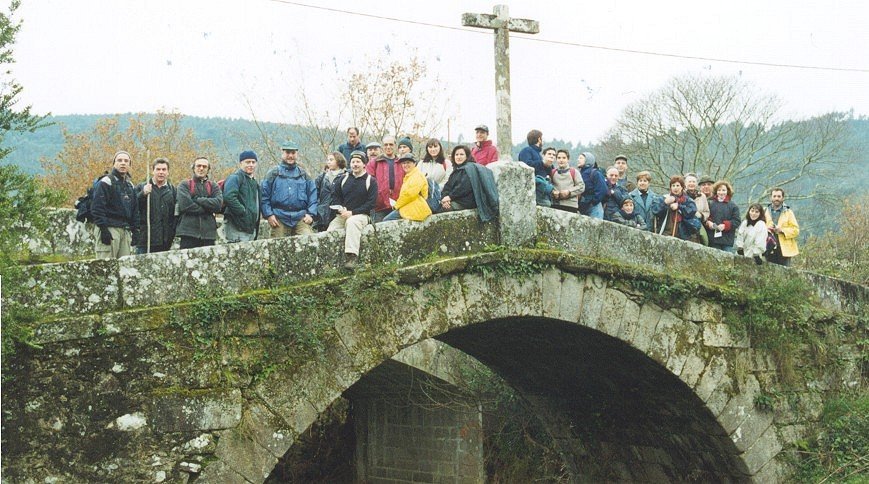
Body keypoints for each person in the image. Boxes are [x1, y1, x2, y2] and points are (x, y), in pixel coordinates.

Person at [328, 151, 378, 270]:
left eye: (358, 162)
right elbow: (335, 196)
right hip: (343, 215)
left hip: (361, 216)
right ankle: (330, 263)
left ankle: (352, 257)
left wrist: (353, 213)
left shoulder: (370, 181)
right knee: (330, 231)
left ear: (364, 164)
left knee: (352, 222)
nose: (355, 164)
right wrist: (340, 209)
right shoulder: (343, 179)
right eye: (353, 162)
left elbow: (371, 203)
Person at [261, 141, 318, 237]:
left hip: (300, 217)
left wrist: (311, 214)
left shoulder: (303, 175)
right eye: (287, 152)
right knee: (277, 244)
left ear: (297, 154)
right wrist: (269, 215)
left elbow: (313, 195)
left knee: (309, 241)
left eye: (293, 153)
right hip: (279, 217)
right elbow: (264, 195)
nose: (290, 156)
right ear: (282, 153)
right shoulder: (273, 174)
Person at [92, 150, 138, 259]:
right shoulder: (106, 182)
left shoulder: (130, 185)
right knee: (106, 265)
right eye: (119, 160)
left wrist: (136, 230)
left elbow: (135, 210)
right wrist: (103, 229)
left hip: (125, 230)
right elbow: (97, 208)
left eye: (126, 161)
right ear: (114, 163)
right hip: (109, 228)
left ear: (129, 165)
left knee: (125, 265)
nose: (123, 163)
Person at [440, 145, 499, 222]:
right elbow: (447, 186)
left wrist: (450, 197)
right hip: (455, 199)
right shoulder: (457, 170)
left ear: (467, 156)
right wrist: (444, 198)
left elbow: (464, 188)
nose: (459, 157)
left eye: (461, 154)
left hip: (465, 202)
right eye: (456, 155)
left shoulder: (469, 168)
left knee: (442, 209)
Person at [176, 156, 223, 249]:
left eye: (204, 166)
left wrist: (198, 200)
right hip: (188, 233)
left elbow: (218, 205)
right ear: (193, 168)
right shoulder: (184, 185)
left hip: (208, 234)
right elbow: (185, 206)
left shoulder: (213, 186)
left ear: (208, 170)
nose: (201, 168)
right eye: (198, 166)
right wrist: (208, 208)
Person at [134, 157, 176, 254]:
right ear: (153, 171)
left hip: (165, 241)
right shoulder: (141, 187)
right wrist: (143, 194)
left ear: (168, 172)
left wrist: (171, 233)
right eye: (158, 169)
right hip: (145, 240)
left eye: (164, 169)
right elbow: (133, 207)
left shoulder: (172, 190)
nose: (161, 172)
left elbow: (174, 214)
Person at [222, 150, 261, 243]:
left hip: (250, 229)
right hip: (236, 228)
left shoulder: (254, 182)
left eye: (253, 162)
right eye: (247, 162)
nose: (251, 165)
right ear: (241, 163)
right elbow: (229, 197)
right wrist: (242, 211)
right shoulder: (235, 178)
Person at [382, 153, 431, 222]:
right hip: (409, 207)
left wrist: (397, 205)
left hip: (415, 209)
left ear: (414, 163)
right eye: (404, 163)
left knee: (386, 221)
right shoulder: (409, 176)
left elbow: (409, 195)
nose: (405, 165)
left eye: (408, 162)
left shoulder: (417, 176)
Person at [366, 135, 404, 222]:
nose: (388, 147)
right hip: (379, 206)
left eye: (391, 144)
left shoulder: (402, 162)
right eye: (386, 145)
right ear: (382, 146)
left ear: (395, 146)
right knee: (379, 228)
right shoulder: (374, 162)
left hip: (398, 204)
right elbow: (368, 183)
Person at [651, 175, 699, 240]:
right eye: (673, 186)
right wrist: (665, 203)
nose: (675, 188)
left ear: (682, 187)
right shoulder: (664, 198)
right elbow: (655, 211)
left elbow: (692, 211)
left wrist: (679, 207)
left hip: (683, 234)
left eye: (677, 185)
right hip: (666, 232)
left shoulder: (687, 200)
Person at [765, 187, 800, 266]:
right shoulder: (764, 211)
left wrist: (781, 230)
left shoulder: (788, 212)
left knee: (785, 272)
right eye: (774, 196)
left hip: (784, 249)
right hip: (768, 247)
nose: (776, 198)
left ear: (783, 198)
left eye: (779, 196)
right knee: (768, 271)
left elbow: (796, 230)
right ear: (770, 197)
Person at [314, 151, 347, 231]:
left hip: (339, 213)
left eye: (331, 160)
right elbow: (315, 194)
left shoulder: (346, 176)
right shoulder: (322, 177)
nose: (328, 162)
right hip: (322, 214)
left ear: (338, 160)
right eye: (328, 160)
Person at [705, 180, 740, 252]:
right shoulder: (710, 203)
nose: (721, 192)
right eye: (719, 190)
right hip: (713, 240)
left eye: (723, 190)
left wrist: (725, 226)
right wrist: (709, 223)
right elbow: (706, 217)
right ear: (716, 191)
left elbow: (737, 221)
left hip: (727, 240)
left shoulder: (733, 206)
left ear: (728, 191)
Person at [550, 149, 584, 213]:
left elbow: (581, 186)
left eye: (564, 158)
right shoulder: (552, 172)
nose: (561, 160)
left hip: (571, 206)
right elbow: (549, 186)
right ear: (556, 159)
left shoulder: (574, 172)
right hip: (555, 205)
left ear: (568, 159)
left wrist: (569, 192)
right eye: (559, 158)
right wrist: (553, 192)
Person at [577, 152, 607, 219]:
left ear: (588, 160)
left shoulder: (595, 173)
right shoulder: (579, 173)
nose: (578, 160)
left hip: (594, 207)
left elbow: (603, 189)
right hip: (583, 207)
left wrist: (593, 202)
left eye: (581, 158)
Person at [684, 173, 710, 245]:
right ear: (685, 183)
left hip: (697, 224)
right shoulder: (682, 195)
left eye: (693, 182)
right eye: (689, 181)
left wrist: (701, 215)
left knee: (705, 240)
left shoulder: (702, 196)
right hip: (684, 225)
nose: (691, 183)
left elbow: (707, 212)